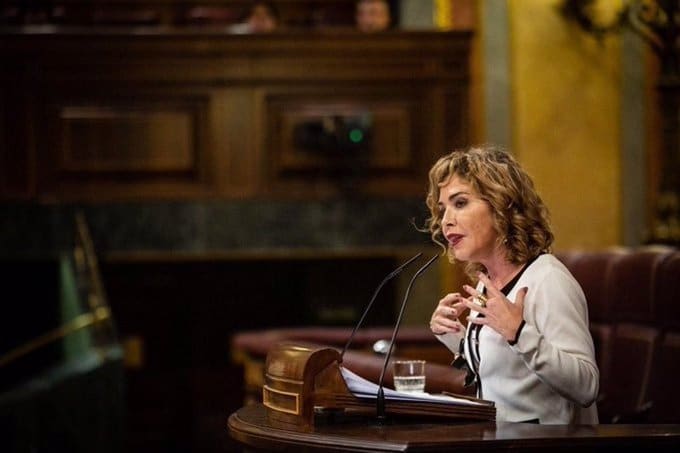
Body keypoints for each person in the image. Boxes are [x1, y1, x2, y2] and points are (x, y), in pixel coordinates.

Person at [426, 145, 599, 424]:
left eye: (460, 203)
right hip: (497, 441)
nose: (446, 221)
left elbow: (587, 386)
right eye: (442, 209)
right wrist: (455, 337)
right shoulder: (488, 282)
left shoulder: (548, 280)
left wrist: (519, 332)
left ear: (500, 205)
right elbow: (510, 377)